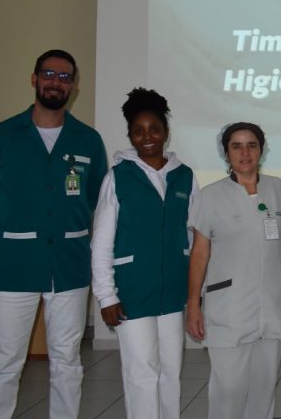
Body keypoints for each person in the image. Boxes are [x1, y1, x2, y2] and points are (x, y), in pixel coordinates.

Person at [0, 49, 107, 419]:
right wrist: (6, 218)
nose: (55, 82)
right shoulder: (1, 135)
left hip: (69, 266)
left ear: (74, 86)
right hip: (15, 266)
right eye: (48, 74)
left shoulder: (88, 140)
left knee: (67, 359)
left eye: (64, 77)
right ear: (34, 79)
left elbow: (96, 194)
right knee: (5, 361)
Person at [90, 87, 199, 419]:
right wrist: (106, 296)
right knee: (142, 372)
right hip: (132, 291)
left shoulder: (184, 176)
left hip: (172, 294)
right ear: (130, 136)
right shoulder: (118, 178)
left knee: (169, 372)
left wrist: (193, 288)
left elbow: (193, 235)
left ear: (166, 132)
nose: (147, 136)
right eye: (138, 131)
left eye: (154, 129)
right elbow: (101, 242)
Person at [186, 122, 281, 419]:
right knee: (228, 390)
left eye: (252, 145)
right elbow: (199, 253)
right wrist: (193, 304)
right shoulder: (210, 196)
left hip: (273, 303)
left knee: (264, 389)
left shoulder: (280, 190)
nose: (245, 152)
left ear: (262, 149)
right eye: (236, 146)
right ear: (226, 153)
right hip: (228, 308)